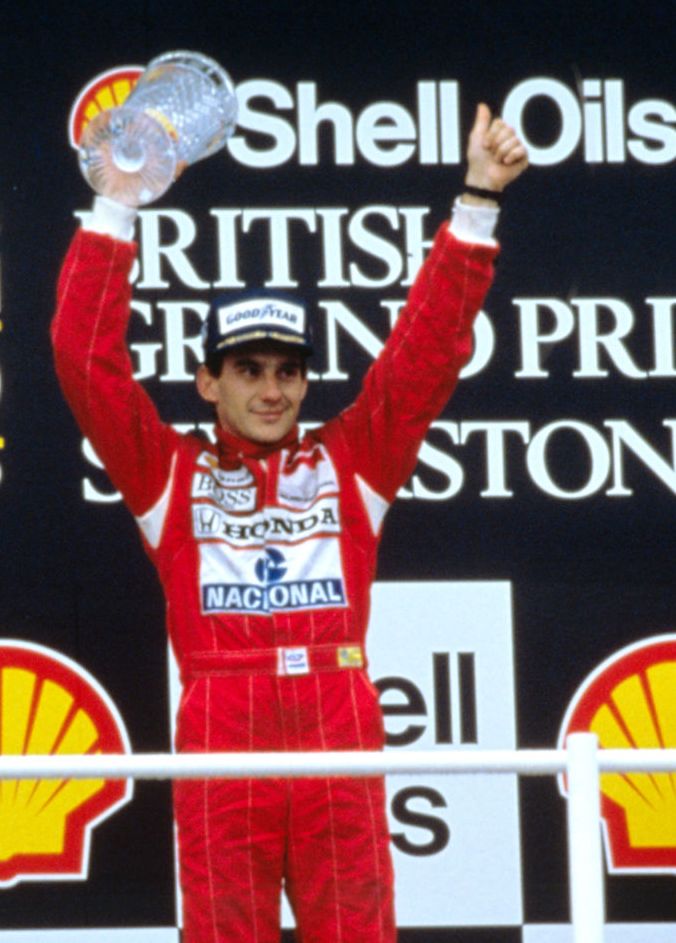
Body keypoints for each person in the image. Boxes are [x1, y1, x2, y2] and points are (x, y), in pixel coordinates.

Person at [53, 103, 527, 943]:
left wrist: (477, 203)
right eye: (248, 370)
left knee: (356, 933)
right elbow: (83, 360)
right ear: (209, 383)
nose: (271, 389)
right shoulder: (166, 471)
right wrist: (117, 208)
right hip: (219, 716)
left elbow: (427, 353)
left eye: (288, 370)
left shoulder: (352, 461)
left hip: (337, 715)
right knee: (225, 932)